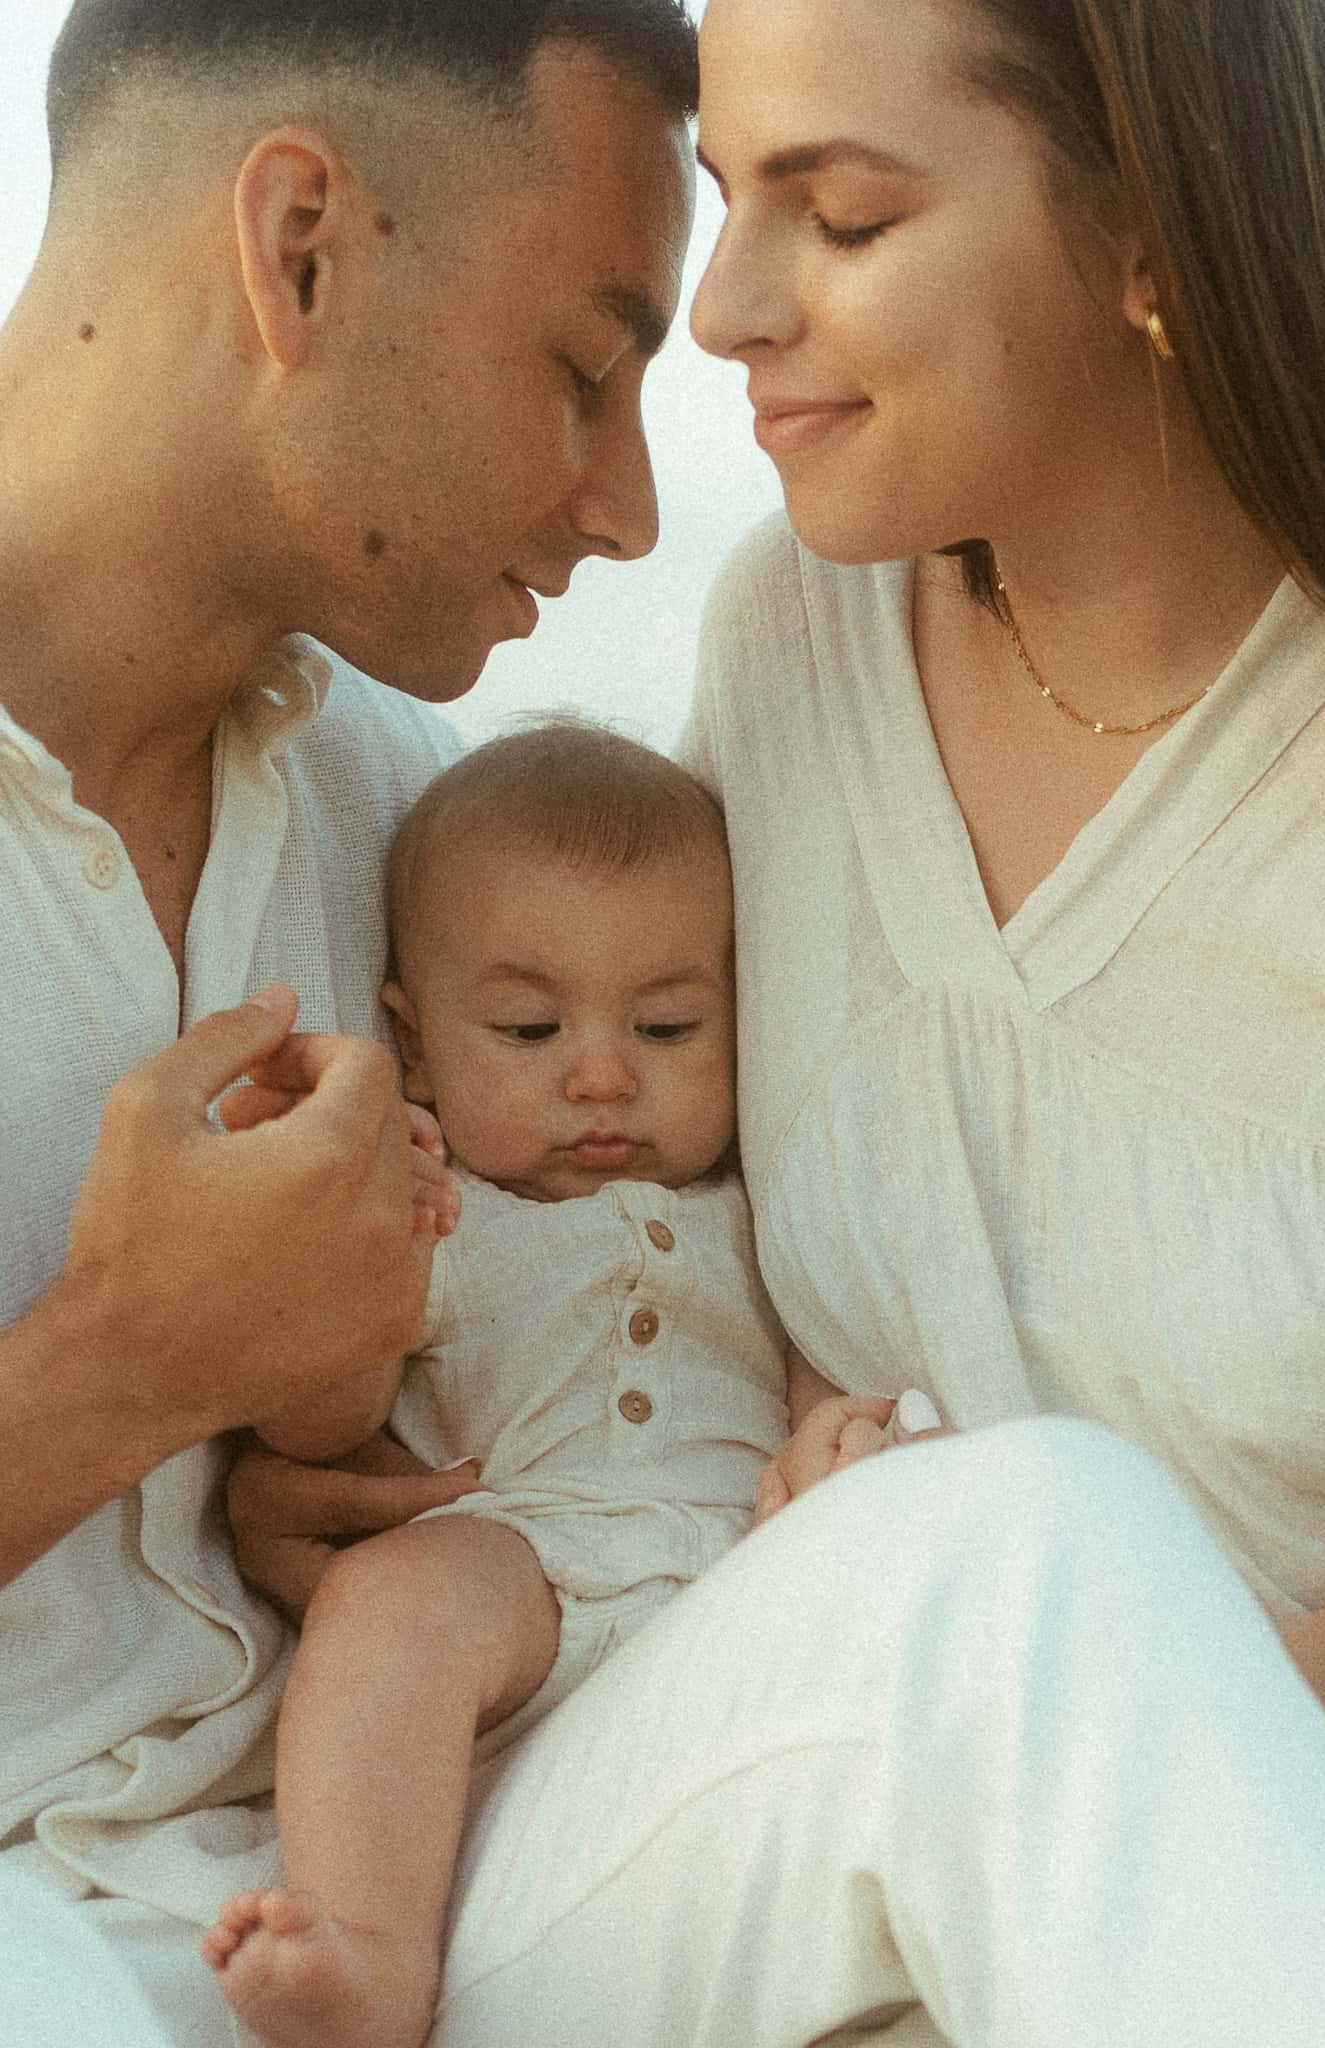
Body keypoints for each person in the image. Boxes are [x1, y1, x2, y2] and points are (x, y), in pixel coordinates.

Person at [228, 0, 1325, 2042]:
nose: (727, 310)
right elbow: (612, 1136)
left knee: (1038, 1558)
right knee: (1023, 1552)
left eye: (832, 214)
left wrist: (1087, 1762)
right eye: (722, 203)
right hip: (715, 1828)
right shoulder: (791, 645)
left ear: (1154, 244)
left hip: (1189, 1879)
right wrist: (324, 1426)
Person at [0, 0, 696, 2036]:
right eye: (583, 371)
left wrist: (354, 1464)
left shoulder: (425, 831)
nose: (631, 505)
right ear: (299, 245)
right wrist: (114, 1376)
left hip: (411, 1863)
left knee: (1024, 1552)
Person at [205, 722, 885, 2048]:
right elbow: (320, 1431)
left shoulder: (760, 1202)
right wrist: (353, 1219)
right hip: (521, 1571)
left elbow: (828, 1351)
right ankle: (366, 1951)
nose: (599, 1073)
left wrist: (831, 1448)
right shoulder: (440, 1216)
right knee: (386, 1592)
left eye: (668, 1024)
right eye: (526, 1026)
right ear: (410, 1032)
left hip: (733, 1578)